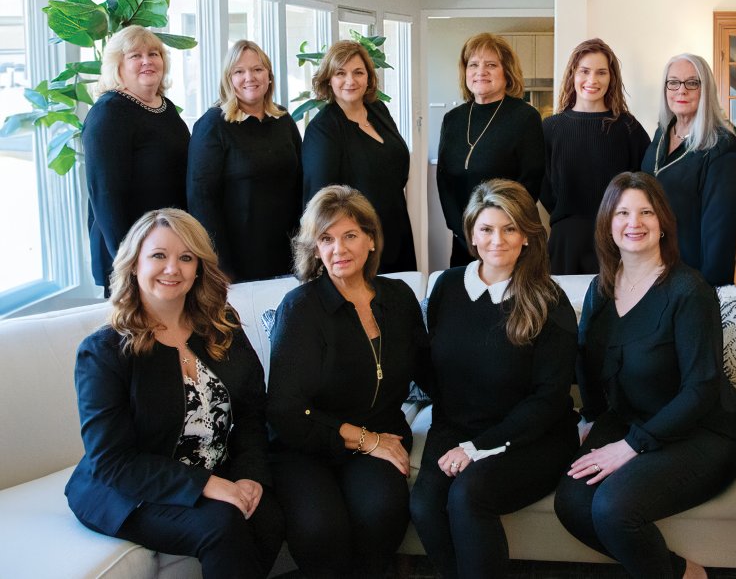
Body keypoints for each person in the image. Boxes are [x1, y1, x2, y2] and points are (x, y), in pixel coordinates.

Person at [64, 208, 284, 578]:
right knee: (222, 525)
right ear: (134, 265)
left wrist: (248, 476)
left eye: (186, 257)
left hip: (209, 466)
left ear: (199, 267)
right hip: (127, 489)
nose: (173, 269)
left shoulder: (221, 325)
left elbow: (250, 412)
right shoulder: (103, 352)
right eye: (158, 256)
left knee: (269, 516)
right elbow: (112, 462)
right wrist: (208, 485)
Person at [554, 172, 736, 579]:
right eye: (622, 212)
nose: (634, 222)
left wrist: (631, 447)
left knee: (613, 509)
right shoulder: (600, 290)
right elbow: (587, 362)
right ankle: (681, 573)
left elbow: (701, 390)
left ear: (662, 223)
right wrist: (591, 417)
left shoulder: (689, 291)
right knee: (571, 503)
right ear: (608, 224)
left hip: (702, 432)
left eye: (646, 212)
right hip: (630, 421)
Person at [410, 179, 579, 579]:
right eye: (486, 229)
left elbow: (550, 399)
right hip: (456, 428)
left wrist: (478, 447)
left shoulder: (548, 300)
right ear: (471, 233)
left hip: (533, 437)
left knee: (467, 496)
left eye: (509, 229)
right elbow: (435, 371)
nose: (497, 240)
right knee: (424, 505)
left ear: (526, 237)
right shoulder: (447, 287)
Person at [266, 185, 428, 577]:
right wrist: (365, 439)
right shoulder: (301, 308)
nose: (339, 248)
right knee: (320, 529)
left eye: (350, 235)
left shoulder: (398, 297)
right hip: (305, 446)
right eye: (326, 238)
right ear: (315, 248)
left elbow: (429, 370)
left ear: (371, 240)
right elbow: (285, 410)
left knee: (381, 511)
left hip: (379, 436)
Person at [83, 25, 190, 295]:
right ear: (117, 66)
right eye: (135, 55)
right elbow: (105, 195)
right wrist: (128, 260)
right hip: (130, 251)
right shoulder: (108, 113)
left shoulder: (164, 107)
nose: (147, 61)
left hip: (166, 243)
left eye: (154, 53)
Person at [188, 40, 302, 282]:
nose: (250, 77)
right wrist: (220, 265)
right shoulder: (213, 125)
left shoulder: (283, 120)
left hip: (288, 253)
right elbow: (201, 200)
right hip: (237, 260)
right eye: (239, 71)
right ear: (228, 79)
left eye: (257, 69)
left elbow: (301, 182)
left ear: (269, 76)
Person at [302, 41, 416, 274]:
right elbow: (321, 200)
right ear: (328, 80)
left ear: (368, 77)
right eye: (340, 73)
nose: (350, 81)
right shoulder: (323, 130)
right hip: (356, 242)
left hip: (396, 226)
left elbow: (397, 167)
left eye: (358, 72)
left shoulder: (378, 110)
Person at [541, 38, 650, 274]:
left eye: (601, 72)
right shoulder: (550, 128)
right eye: (585, 71)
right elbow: (544, 187)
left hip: (617, 238)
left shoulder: (628, 127)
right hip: (565, 241)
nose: (592, 80)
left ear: (611, 78)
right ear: (572, 74)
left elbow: (644, 183)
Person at [437, 32, 545, 267]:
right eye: (473, 64)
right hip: (464, 239)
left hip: (507, 238)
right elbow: (444, 181)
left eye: (491, 65)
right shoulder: (453, 119)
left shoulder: (525, 117)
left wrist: (496, 231)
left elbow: (530, 182)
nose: (480, 71)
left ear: (506, 72)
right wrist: (464, 233)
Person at [642, 53, 736, 286]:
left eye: (692, 83)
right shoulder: (662, 133)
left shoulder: (721, 145)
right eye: (673, 82)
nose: (681, 90)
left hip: (689, 271)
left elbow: (720, 229)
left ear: (705, 89)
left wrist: (711, 290)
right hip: (651, 264)